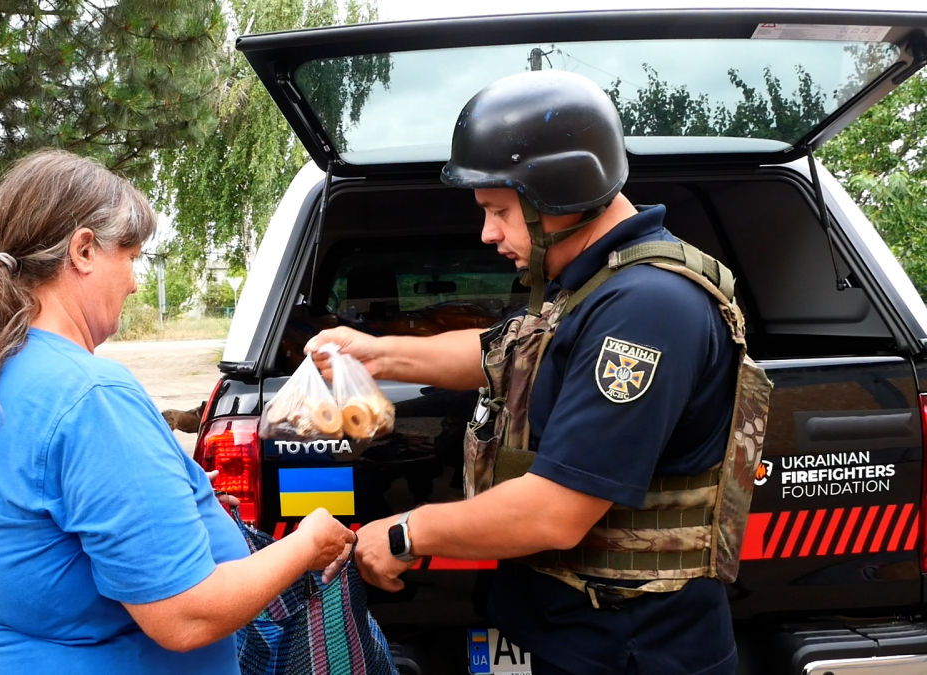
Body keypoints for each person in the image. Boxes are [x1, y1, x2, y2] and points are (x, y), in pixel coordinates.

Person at [307, 71, 770, 675]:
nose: (487, 233)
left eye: (499, 210)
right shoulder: (590, 286)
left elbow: (555, 511)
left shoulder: (647, 307)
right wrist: (374, 353)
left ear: (560, 194)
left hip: (632, 648)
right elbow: (499, 353)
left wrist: (403, 533)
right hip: (583, 635)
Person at [0, 149, 355, 674]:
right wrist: (308, 543)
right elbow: (185, 617)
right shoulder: (89, 393)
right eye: (132, 256)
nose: (136, 280)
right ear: (85, 251)